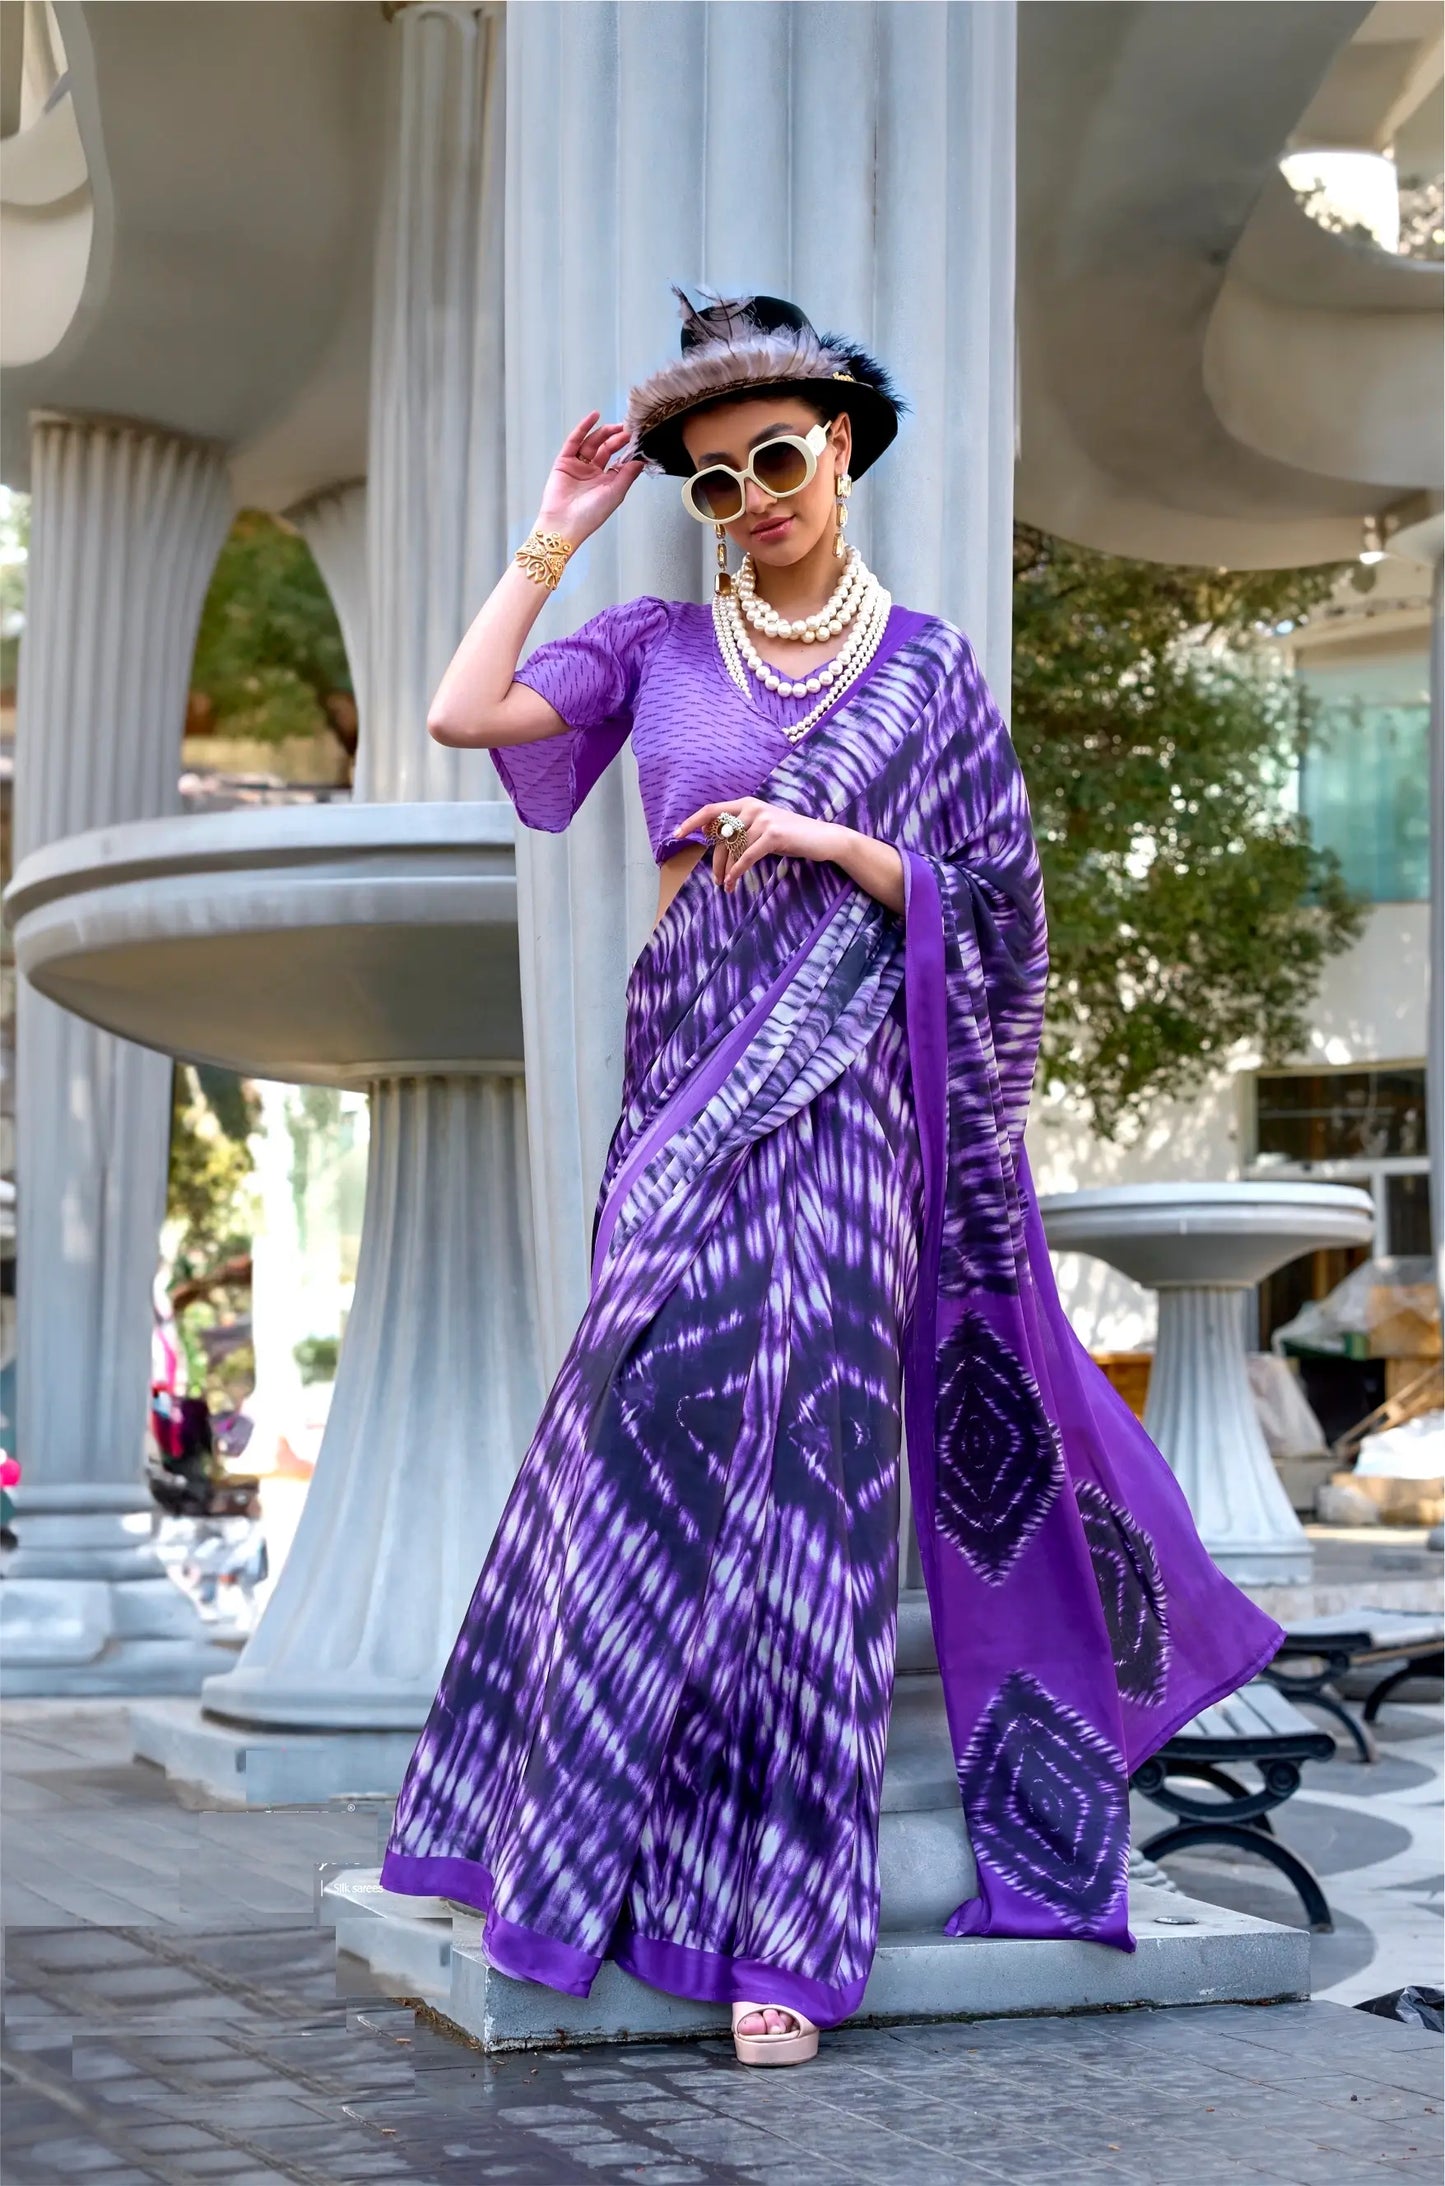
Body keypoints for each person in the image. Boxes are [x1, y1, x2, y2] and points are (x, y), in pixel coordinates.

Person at [379, 290, 1284, 2067]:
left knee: (812, 1492)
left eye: (775, 458)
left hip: (854, 1109)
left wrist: (833, 841)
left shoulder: (928, 672)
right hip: (688, 1097)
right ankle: (573, 1856)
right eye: (712, 480)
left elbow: (1000, 902)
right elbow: (462, 710)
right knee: (628, 1441)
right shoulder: (654, 643)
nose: (751, 499)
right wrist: (555, 531)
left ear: (843, 444)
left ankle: (782, 1931)